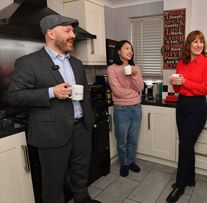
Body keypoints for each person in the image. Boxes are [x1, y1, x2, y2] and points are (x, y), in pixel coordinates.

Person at [7, 15, 101, 203]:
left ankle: (82, 199)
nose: (73, 35)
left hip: (82, 127)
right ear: (51, 33)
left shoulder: (76, 63)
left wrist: (88, 120)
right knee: (53, 182)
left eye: (72, 31)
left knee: (81, 172)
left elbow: (85, 94)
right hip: (51, 132)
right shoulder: (28, 62)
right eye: (67, 30)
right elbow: (14, 96)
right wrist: (51, 92)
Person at [166, 30, 207, 203]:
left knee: (185, 144)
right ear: (189, 44)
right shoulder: (181, 63)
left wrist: (185, 82)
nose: (199, 45)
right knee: (187, 144)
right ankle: (191, 178)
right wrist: (175, 83)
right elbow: (178, 90)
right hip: (182, 105)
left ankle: (180, 184)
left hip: (197, 107)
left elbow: (206, 88)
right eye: (195, 41)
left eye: (201, 41)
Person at [107, 40, 144, 177]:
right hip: (121, 109)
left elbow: (140, 88)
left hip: (136, 108)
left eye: (131, 49)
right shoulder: (112, 69)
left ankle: (130, 161)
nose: (130, 51)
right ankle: (123, 163)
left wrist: (135, 75)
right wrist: (134, 94)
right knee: (122, 139)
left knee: (133, 138)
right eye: (127, 48)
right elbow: (117, 91)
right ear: (118, 51)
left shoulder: (136, 68)